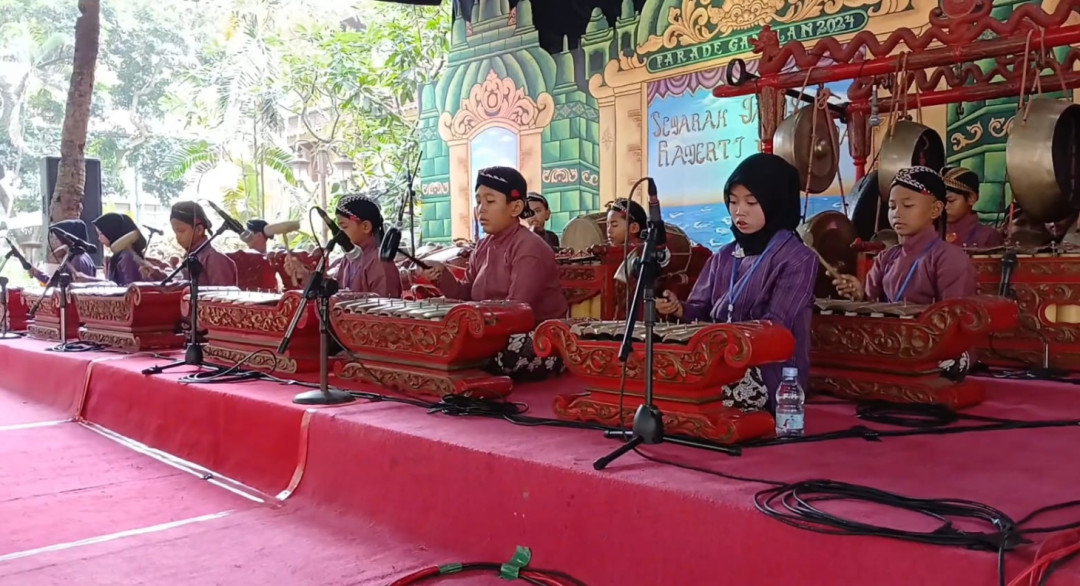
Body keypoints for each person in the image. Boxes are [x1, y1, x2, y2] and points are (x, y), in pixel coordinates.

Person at [654, 153, 818, 411]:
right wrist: (679, 309)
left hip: (772, 374)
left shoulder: (797, 259)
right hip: (719, 362)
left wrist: (723, 345)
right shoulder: (725, 255)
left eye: (751, 202)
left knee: (694, 397)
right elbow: (702, 309)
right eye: (732, 201)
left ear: (775, 202)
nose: (739, 211)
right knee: (658, 382)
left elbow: (775, 328)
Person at [419, 166, 567, 378]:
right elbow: (465, 295)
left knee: (469, 350)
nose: (481, 209)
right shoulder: (482, 246)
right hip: (492, 332)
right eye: (478, 201)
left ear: (515, 207)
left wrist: (473, 326)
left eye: (490, 201)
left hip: (536, 340)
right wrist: (442, 276)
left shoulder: (529, 248)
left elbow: (518, 311)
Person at [832, 166, 977, 305]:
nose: (897, 214)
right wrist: (860, 295)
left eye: (907, 205)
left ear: (935, 209)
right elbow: (871, 306)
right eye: (892, 206)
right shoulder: (886, 258)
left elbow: (954, 317)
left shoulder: (950, 258)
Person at [291, 195, 402, 297]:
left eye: (344, 226)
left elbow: (386, 310)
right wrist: (306, 277)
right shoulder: (347, 260)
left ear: (365, 227)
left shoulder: (380, 262)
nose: (339, 234)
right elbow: (336, 295)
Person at [169, 201, 238, 287]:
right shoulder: (190, 256)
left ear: (199, 230)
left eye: (181, 231)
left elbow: (222, 296)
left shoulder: (215, 259)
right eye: (175, 232)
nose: (177, 237)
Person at [941, 166, 1004, 248]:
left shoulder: (987, 236)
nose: (944, 207)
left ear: (971, 198)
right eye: (939, 201)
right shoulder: (930, 233)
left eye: (950, 201)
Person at [93, 212, 162, 285]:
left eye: (101, 234)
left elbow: (130, 287)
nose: (99, 238)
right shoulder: (121, 255)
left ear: (111, 232)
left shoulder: (127, 257)